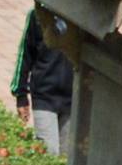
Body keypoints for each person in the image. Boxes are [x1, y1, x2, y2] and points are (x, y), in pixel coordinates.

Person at [13, 9, 75, 155]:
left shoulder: (84, 18)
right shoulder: (38, 14)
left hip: (73, 100)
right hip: (44, 97)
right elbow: (25, 54)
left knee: (67, 158)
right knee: (49, 152)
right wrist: (21, 95)